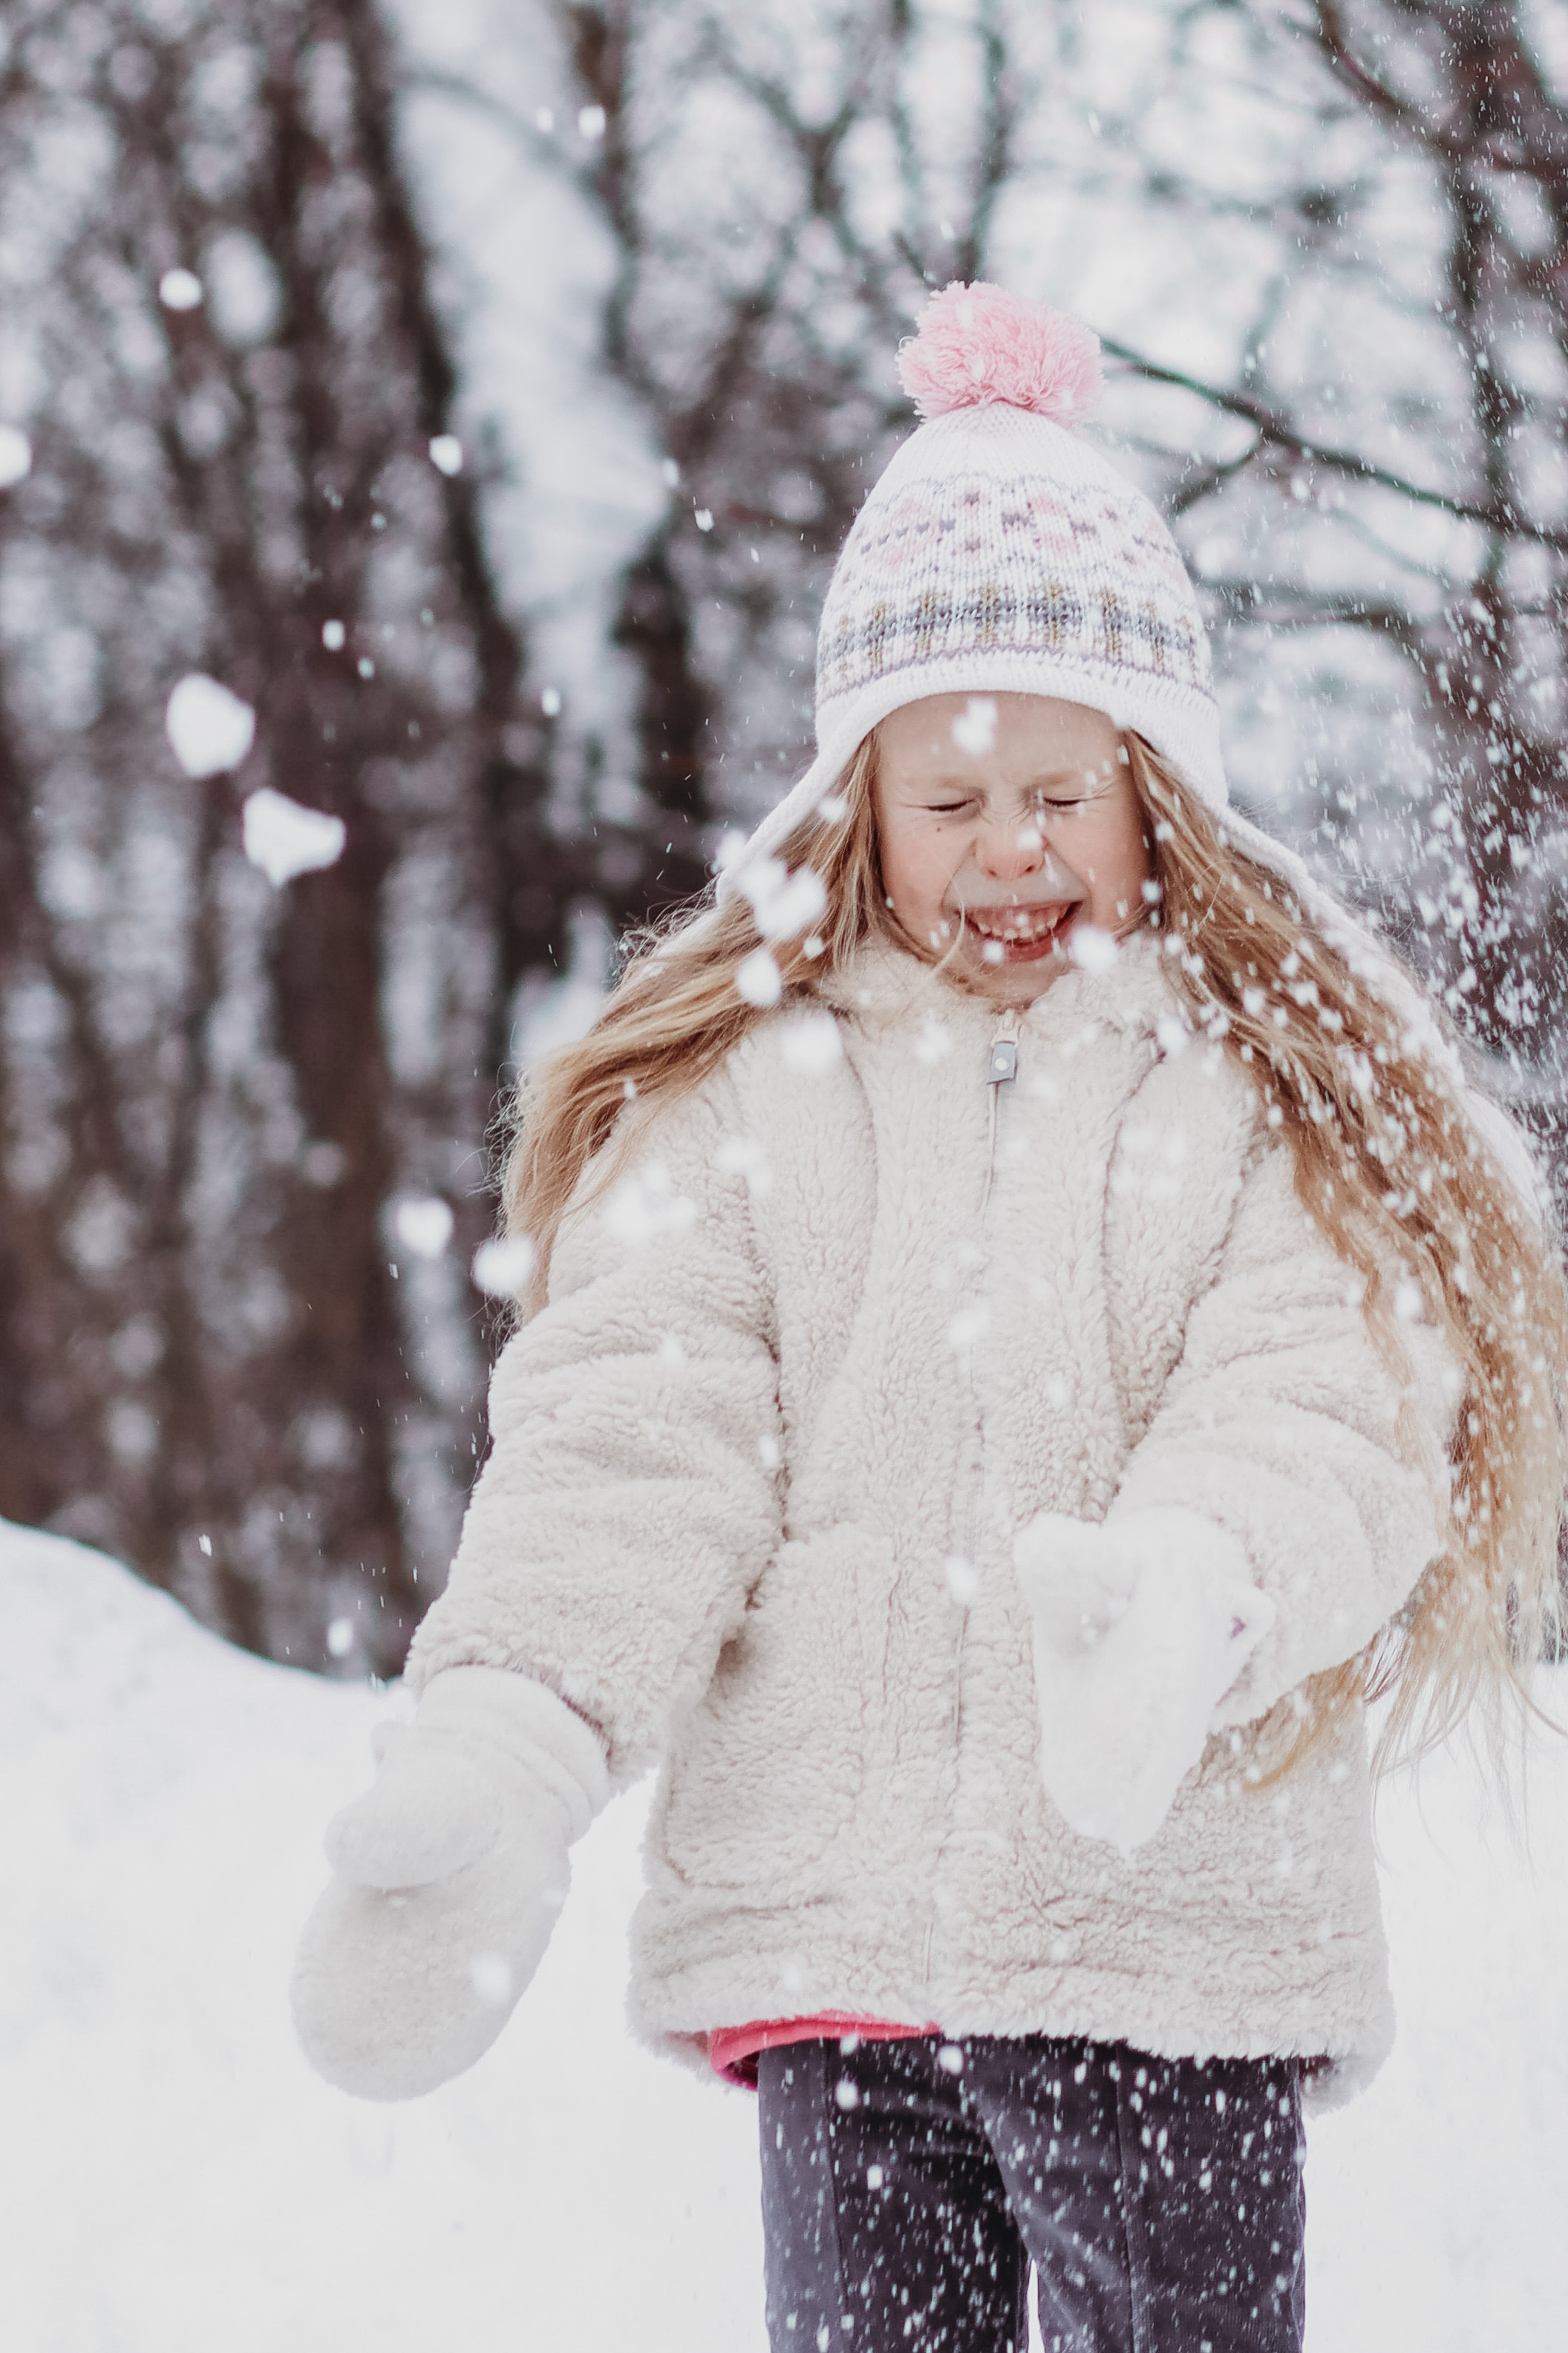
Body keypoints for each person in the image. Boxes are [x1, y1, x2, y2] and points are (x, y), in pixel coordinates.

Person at [292, 283, 1567, 2352]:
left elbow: (1332, 1404)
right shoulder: (749, 1111)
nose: (1011, 847)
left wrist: (1193, 1592)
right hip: (850, 1952)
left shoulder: (1255, 1101)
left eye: (1063, 788)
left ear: (1162, 790)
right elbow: (634, 1438)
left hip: (1166, 1929)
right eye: (950, 796)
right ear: (853, 810)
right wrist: (515, 1740)